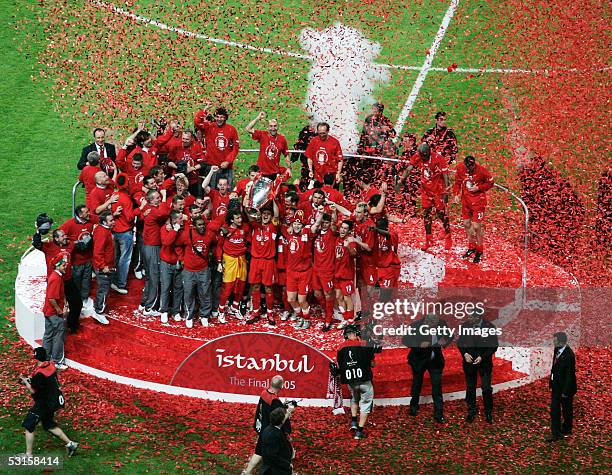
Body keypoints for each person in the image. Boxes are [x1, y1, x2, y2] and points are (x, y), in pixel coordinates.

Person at [20, 347, 78, 458]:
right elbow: (44, 382)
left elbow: (33, 389)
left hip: (43, 403)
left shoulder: (39, 374)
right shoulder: (51, 366)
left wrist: (25, 382)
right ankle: (71, 444)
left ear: (36, 357)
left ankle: (28, 455)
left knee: (29, 425)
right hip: (52, 401)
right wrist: (31, 380)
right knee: (48, 424)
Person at [396, 142, 452, 251]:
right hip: (426, 191)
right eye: (421, 156)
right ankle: (429, 239)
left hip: (438, 191)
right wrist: (401, 180)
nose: (422, 158)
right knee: (426, 214)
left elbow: (445, 176)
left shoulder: (439, 158)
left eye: (424, 156)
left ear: (429, 153)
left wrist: (446, 192)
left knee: (441, 214)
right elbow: (409, 169)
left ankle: (448, 236)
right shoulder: (418, 156)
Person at [403, 313, 454, 423]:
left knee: (437, 386)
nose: (434, 327)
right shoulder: (415, 326)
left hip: (435, 360)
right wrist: (419, 344)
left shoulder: (441, 324)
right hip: (418, 359)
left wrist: (445, 341)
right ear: (426, 321)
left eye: (436, 325)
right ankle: (414, 407)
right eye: (432, 325)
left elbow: (450, 336)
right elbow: (405, 340)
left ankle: (438, 414)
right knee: (417, 384)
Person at [333, 324, 381, 440]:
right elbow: (372, 363)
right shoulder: (364, 345)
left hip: (351, 382)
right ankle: (359, 431)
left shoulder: (340, 348)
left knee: (354, 399)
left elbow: (339, 366)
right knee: (365, 404)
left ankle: (354, 421)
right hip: (365, 380)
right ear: (357, 333)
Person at [243, 375, 296, 475]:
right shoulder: (275, 401)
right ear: (281, 386)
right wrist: (288, 411)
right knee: (282, 454)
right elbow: (279, 420)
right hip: (272, 432)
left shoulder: (264, 393)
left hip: (264, 429)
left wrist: (282, 405)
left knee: (259, 451)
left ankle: (247, 472)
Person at [456, 310, 499, 423]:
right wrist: (465, 353)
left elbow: (493, 346)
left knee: (486, 387)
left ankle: (488, 412)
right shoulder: (465, 326)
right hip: (469, 362)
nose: (468, 318)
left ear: (477, 317)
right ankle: (471, 410)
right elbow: (460, 342)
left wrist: (482, 357)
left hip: (484, 363)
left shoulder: (489, 327)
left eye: (470, 317)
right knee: (470, 387)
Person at [453, 156, 494, 263]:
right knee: (466, 224)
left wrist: (479, 188)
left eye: (471, 167)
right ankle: (472, 246)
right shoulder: (460, 168)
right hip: (466, 202)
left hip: (478, 203)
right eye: (467, 167)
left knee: (476, 226)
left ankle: (480, 250)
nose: (469, 170)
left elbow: (491, 182)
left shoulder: (481, 170)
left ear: (474, 164)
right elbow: (457, 182)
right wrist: (456, 194)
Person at [176, 216, 215, 328]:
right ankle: (189, 316)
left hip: (203, 270)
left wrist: (211, 254)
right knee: (189, 294)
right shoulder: (186, 234)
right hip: (188, 270)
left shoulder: (209, 234)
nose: (202, 227)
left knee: (205, 294)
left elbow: (215, 243)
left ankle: (204, 316)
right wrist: (181, 258)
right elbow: (177, 245)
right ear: (194, 226)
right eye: (199, 225)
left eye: (203, 224)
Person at [59, 205, 95, 316]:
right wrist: (73, 244)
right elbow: (59, 236)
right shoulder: (69, 224)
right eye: (85, 212)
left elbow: (100, 220)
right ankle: (75, 301)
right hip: (76, 261)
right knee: (76, 282)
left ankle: (84, 298)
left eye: (88, 211)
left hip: (88, 259)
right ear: (79, 214)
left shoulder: (90, 220)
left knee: (86, 280)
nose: (88, 213)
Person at [194, 104, 240, 188]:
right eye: (217, 117)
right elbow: (197, 122)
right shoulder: (209, 127)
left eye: (222, 117)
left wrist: (228, 161)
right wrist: (204, 110)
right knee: (212, 191)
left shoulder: (232, 129)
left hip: (227, 167)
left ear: (225, 118)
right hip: (212, 166)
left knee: (227, 191)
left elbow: (235, 148)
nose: (219, 119)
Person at [548, 331, 577, 442]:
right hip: (556, 386)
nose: (553, 342)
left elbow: (570, 375)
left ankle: (567, 428)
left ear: (560, 341)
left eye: (555, 340)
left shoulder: (569, 355)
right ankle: (556, 433)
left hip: (565, 387)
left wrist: (565, 391)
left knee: (566, 409)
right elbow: (554, 367)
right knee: (555, 410)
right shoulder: (557, 350)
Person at [41, 254, 69, 367]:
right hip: (53, 313)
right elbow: (51, 298)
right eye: (63, 265)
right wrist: (59, 310)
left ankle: (45, 359)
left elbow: (60, 293)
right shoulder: (56, 278)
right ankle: (57, 360)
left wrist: (66, 302)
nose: (65, 266)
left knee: (48, 335)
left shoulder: (55, 276)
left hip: (48, 311)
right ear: (57, 266)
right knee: (59, 335)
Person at [245, 111, 290, 180]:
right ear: (267, 127)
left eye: (275, 126)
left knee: (273, 190)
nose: (273, 128)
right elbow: (248, 129)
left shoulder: (282, 139)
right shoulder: (263, 135)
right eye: (271, 126)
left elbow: (286, 154)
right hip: (261, 172)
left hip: (274, 172)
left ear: (278, 127)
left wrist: (289, 168)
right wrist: (258, 118)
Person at [159, 210, 185, 324]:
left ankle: (176, 312)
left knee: (178, 288)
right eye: (180, 218)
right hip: (166, 263)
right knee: (165, 287)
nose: (182, 220)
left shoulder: (183, 230)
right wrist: (174, 230)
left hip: (178, 264)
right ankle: (164, 311)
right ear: (174, 220)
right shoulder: (165, 229)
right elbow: (167, 242)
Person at [92, 211, 115, 324]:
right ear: (104, 221)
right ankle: (98, 312)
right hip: (103, 267)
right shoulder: (102, 233)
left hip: (106, 265)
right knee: (104, 289)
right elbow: (98, 252)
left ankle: (98, 308)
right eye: (111, 220)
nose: (113, 222)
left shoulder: (103, 230)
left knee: (103, 288)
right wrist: (102, 266)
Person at [258, 407, 294, 475]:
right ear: (282, 420)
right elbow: (272, 455)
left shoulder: (269, 429)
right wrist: (287, 465)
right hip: (275, 470)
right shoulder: (273, 435)